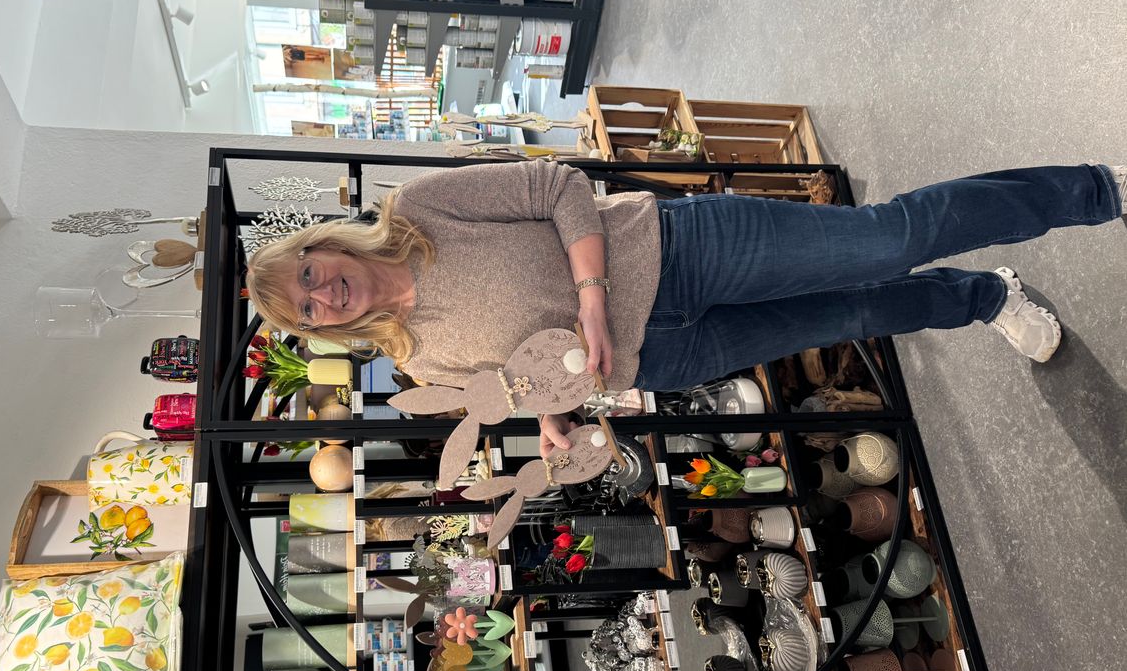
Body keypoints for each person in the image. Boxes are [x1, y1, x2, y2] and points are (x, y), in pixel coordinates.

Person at [246, 160, 1125, 456]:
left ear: (321, 247)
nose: (322, 295)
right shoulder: (416, 360)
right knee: (854, 317)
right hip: (661, 360)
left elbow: (559, 187)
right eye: (309, 311)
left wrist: (591, 297)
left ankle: (1093, 189)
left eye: (310, 275)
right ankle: (984, 299)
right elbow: (526, 381)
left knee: (886, 240)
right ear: (323, 331)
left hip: (678, 251)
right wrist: (552, 419)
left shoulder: (422, 210)